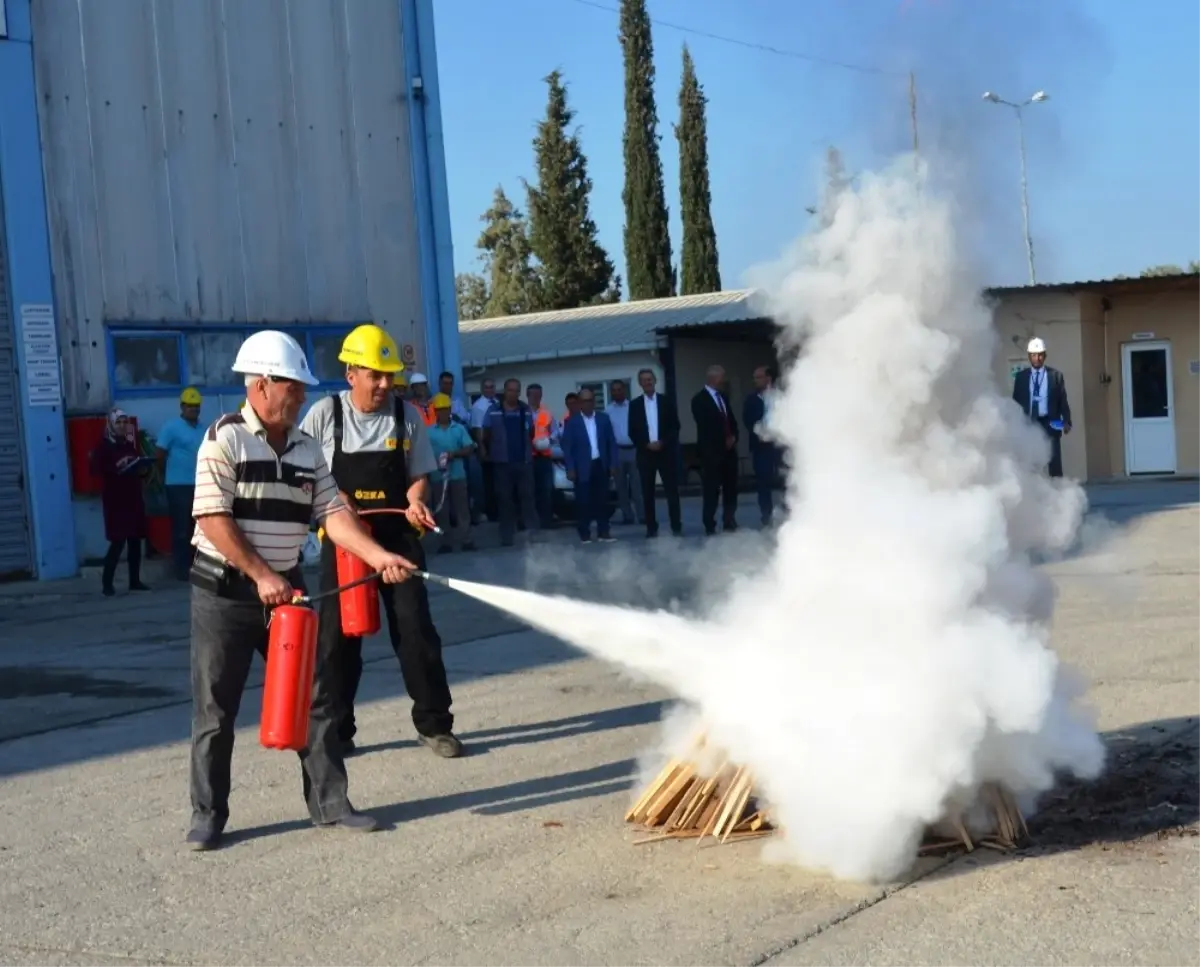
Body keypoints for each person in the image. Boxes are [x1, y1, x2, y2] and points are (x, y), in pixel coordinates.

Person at [187, 329, 418, 851]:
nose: (300, 397)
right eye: (293, 387)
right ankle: (208, 815)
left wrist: (379, 557)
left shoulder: (306, 449)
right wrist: (261, 575)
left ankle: (331, 804)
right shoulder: (223, 438)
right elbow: (212, 517)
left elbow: (334, 514)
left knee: (318, 695)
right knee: (216, 708)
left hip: (285, 591)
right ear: (262, 384)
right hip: (223, 591)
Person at [300, 324, 462, 759]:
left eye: (390, 375)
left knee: (415, 629)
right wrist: (337, 500)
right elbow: (307, 479)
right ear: (352, 373)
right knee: (337, 637)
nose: (386, 384)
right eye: (377, 375)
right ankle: (336, 729)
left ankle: (434, 724)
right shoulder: (322, 416)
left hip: (398, 538)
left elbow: (417, 477)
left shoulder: (406, 415)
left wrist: (415, 502)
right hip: (346, 541)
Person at [92, 407, 151, 596]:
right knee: (118, 542)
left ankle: (135, 581)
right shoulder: (103, 447)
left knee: (135, 541)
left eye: (125, 422)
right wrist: (118, 467)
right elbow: (96, 470)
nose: (122, 425)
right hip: (115, 501)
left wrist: (142, 469)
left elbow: (138, 466)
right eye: (118, 422)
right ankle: (107, 584)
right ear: (110, 424)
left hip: (133, 498)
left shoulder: (129, 444)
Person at [155, 387, 206, 580]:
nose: (193, 409)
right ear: (182, 407)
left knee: (198, 528)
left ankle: (197, 567)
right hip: (177, 486)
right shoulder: (171, 427)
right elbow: (159, 454)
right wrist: (166, 475)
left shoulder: (203, 428)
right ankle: (181, 569)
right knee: (181, 528)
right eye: (190, 406)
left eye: (196, 406)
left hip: (199, 485)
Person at [483, 378, 539, 547]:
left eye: (516, 390)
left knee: (528, 499)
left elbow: (531, 432)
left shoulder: (526, 410)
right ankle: (507, 536)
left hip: (523, 462)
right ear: (504, 391)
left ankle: (532, 535)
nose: (513, 393)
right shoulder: (493, 411)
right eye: (510, 390)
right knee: (505, 500)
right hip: (502, 464)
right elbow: (486, 434)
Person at [629, 369, 682, 538]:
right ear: (640, 383)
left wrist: (663, 443)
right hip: (646, 455)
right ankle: (651, 528)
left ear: (655, 380)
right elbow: (632, 431)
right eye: (644, 380)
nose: (647, 382)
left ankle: (676, 526)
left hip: (665, 453)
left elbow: (675, 427)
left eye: (650, 379)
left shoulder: (666, 402)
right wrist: (646, 444)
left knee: (671, 491)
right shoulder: (635, 405)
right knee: (648, 493)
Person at [561, 387, 619, 543]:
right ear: (580, 403)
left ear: (594, 402)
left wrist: (613, 464)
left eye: (590, 400)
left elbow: (611, 443)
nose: (588, 404)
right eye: (584, 401)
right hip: (582, 468)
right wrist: (571, 468)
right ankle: (584, 533)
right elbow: (567, 448)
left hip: (600, 465)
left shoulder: (603, 419)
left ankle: (603, 532)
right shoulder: (572, 422)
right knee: (583, 501)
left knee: (602, 500)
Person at [1012, 337, 1072, 478]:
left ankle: (1059, 494)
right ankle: (1035, 494)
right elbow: (1015, 403)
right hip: (1029, 423)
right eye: (1033, 355)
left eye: (1040, 355)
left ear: (1044, 356)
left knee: (1054, 461)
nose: (1037, 358)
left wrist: (1067, 421)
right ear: (1029, 356)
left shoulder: (1055, 376)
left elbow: (1063, 401)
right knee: (1031, 462)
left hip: (1050, 422)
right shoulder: (1021, 378)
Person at [691, 365, 740, 536]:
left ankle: (729, 519)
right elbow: (706, 427)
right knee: (711, 490)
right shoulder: (699, 400)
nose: (724, 381)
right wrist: (723, 440)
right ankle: (709, 523)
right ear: (713, 379)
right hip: (712, 454)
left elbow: (730, 420)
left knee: (731, 488)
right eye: (722, 377)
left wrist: (733, 436)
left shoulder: (723, 398)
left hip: (729, 453)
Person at [427, 392, 477, 553]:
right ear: (435, 411)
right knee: (442, 510)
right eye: (440, 409)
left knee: (462, 508)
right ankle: (444, 542)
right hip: (437, 477)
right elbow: (423, 452)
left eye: (445, 409)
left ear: (450, 410)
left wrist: (454, 454)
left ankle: (466, 539)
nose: (443, 412)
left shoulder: (459, 428)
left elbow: (469, 447)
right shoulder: (429, 432)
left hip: (457, 475)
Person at [743, 366, 782, 527]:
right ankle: (766, 515)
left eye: (759, 377)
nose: (755, 381)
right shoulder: (751, 399)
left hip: (779, 444)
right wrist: (760, 431)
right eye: (755, 377)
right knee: (763, 483)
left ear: (768, 378)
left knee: (785, 479)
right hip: (761, 446)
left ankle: (788, 513)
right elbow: (747, 420)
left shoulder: (779, 397)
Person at [605, 379, 644, 526]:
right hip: (617, 451)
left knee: (637, 486)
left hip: (634, 450)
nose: (617, 392)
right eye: (614, 390)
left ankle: (642, 516)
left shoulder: (633, 407)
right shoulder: (608, 410)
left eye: (619, 389)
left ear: (624, 390)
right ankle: (628, 516)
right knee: (620, 487)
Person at [526, 383, 558, 529]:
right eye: (533, 395)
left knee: (546, 490)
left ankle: (546, 521)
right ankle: (531, 521)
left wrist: (548, 440)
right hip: (528, 458)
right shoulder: (523, 412)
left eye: (538, 395)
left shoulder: (546, 413)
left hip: (544, 457)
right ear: (528, 395)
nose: (536, 398)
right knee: (528, 491)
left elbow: (556, 431)